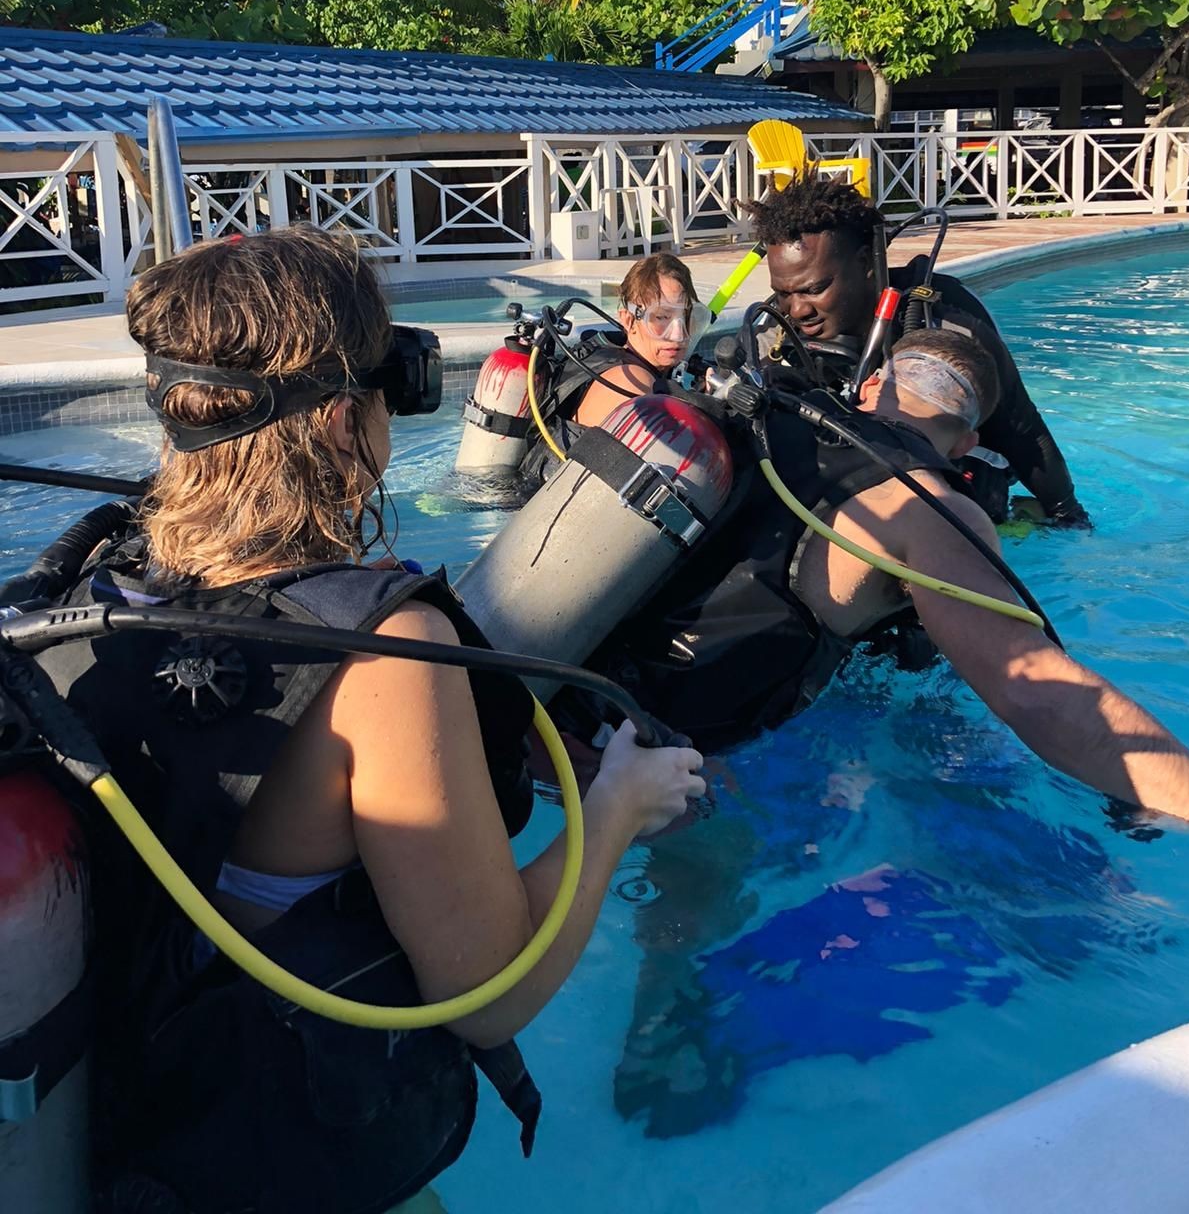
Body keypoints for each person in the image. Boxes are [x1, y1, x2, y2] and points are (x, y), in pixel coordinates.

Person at [38, 227, 704, 1214]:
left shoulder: (110, 582)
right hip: (275, 1169)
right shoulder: (385, 657)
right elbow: (490, 996)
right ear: (346, 418)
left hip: (144, 1134)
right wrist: (617, 810)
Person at [558, 328, 1189, 824]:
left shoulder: (769, 414)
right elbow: (1035, 693)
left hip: (549, 705)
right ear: (967, 443)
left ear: (869, 388)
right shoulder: (931, 510)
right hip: (655, 765)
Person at [749, 175, 1089, 526]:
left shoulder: (952, 324)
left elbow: (1024, 433)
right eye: (784, 292)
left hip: (959, 479)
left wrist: (1068, 516)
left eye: (814, 288)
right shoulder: (776, 328)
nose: (798, 309)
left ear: (865, 262)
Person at [521, 252, 698, 481]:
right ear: (627, 320)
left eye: (686, 317)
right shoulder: (632, 381)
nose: (677, 334)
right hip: (547, 502)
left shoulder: (607, 358)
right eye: (661, 318)